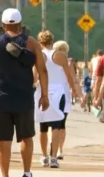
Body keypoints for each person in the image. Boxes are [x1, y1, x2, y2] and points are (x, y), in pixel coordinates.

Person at [0, 9, 50, 177]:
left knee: (2, 139)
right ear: (20, 24)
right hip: (24, 97)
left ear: (2, 25)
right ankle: (26, 175)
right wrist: (44, 95)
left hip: (0, 98)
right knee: (26, 137)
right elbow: (42, 70)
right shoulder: (32, 43)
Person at [34, 32, 80, 169]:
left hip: (43, 90)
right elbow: (68, 75)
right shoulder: (60, 56)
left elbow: (34, 77)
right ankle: (54, 157)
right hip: (59, 92)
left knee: (43, 126)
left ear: (39, 41)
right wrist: (73, 90)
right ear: (51, 40)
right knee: (56, 125)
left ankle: (44, 156)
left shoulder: (38, 55)